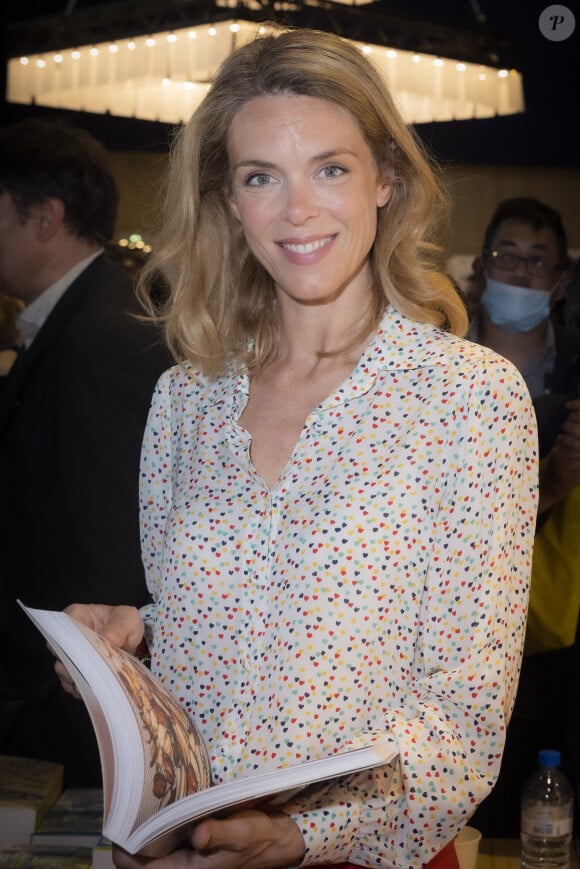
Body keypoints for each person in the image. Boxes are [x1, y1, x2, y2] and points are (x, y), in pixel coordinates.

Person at [57, 29, 538, 868]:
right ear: (228, 200)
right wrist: (131, 641)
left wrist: (309, 833)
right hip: (185, 847)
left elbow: (465, 712)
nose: (298, 211)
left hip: (361, 855)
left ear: (385, 178)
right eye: (260, 178)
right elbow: (241, 620)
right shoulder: (186, 399)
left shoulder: (468, 400)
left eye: (331, 168)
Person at [0, 118, 172, 785]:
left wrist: (60, 688)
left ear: (44, 218)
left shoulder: (102, 333)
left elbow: (111, 544)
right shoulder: (85, 314)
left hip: (68, 696)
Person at [467, 199, 580, 838]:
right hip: (457, 631)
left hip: (559, 638)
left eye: (538, 261)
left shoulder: (575, 373)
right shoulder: (438, 368)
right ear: (483, 266)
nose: (521, 272)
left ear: (559, 282)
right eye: (508, 255)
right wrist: (554, 485)